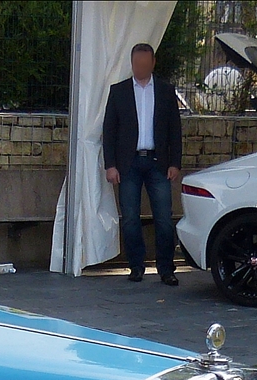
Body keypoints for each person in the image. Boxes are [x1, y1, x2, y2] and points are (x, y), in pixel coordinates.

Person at [102, 42, 183, 286]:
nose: (141, 68)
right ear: (132, 63)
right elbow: (109, 130)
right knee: (130, 218)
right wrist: (110, 165)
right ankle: (136, 266)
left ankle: (166, 269)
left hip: (159, 162)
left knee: (164, 218)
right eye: (137, 64)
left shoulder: (166, 91)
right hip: (129, 163)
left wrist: (175, 162)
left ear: (153, 63)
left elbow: (175, 130)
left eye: (145, 64)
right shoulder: (119, 91)